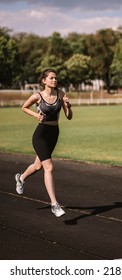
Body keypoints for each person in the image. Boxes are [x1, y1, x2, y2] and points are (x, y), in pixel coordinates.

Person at [15, 68, 73, 217]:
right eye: (51, 78)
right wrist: (36, 115)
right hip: (40, 135)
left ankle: (21, 178)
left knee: (38, 166)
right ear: (44, 81)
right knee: (49, 167)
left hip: (54, 134)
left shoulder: (61, 94)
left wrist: (69, 105)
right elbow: (24, 107)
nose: (54, 80)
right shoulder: (37, 96)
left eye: (56, 78)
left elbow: (69, 116)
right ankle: (54, 204)